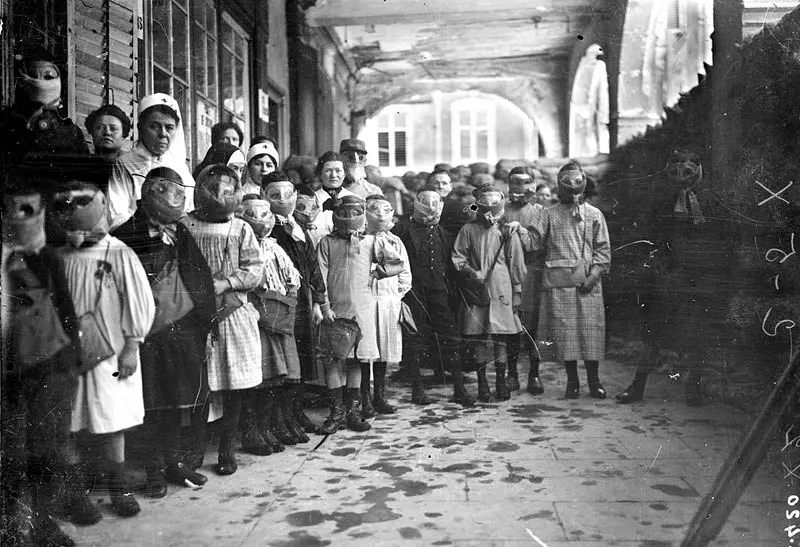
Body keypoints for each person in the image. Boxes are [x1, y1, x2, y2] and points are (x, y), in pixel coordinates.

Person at [51, 174, 155, 521]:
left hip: (110, 349)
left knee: (112, 420)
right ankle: (75, 496)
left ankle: (120, 488)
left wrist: (132, 345)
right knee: (69, 421)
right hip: (67, 352)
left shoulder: (118, 252)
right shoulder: (58, 255)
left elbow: (139, 301)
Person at [113, 167, 216, 497]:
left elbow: (199, 275)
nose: (179, 200)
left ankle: (173, 462)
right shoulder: (124, 233)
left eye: (180, 194)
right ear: (150, 192)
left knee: (175, 399)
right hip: (144, 331)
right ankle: (153, 469)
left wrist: (206, 321)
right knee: (149, 402)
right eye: (172, 193)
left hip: (181, 328)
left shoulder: (180, 232)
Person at [1, 184, 81, 547]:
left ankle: (44, 524)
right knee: (12, 457)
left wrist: (72, 362)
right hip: (9, 374)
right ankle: (13, 529)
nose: (20, 218)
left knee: (48, 450)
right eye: (11, 209)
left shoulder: (46, 257)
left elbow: (67, 311)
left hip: (50, 367)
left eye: (29, 210)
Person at [183, 164, 263, 475]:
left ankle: (227, 448)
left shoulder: (241, 229)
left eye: (228, 190)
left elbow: (255, 270)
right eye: (213, 189)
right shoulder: (186, 225)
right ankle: (196, 447)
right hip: (195, 314)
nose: (220, 195)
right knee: (200, 383)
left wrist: (227, 283)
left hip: (233, 312)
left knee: (234, 384)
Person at [529, 162, 611, 399]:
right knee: (567, 335)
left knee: (590, 333)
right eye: (566, 183)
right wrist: (515, 229)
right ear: (558, 186)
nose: (572, 190)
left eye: (577, 183)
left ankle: (594, 380)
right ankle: (572, 381)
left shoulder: (594, 215)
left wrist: (594, 275)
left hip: (588, 284)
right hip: (558, 284)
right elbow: (533, 242)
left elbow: (603, 251)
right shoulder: (548, 215)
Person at [237, 196, 308, 455]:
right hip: (255, 318)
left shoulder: (275, 247)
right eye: (253, 215)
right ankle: (252, 431)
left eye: (265, 214)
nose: (261, 221)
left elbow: (292, 278)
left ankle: (271, 426)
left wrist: (289, 296)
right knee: (260, 378)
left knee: (282, 376)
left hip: (279, 315)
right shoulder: (239, 246)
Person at [393, 186, 475, 407]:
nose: (430, 209)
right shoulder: (401, 231)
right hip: (413, 293)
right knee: (415, 338)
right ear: (416, 203)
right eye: (425, 203)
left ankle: (458, 387)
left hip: (440, 291)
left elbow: (471, 213)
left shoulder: (446, 233)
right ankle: (417, 388)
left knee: (450, 336)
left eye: (435, 203)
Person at [262, 171, 330, 437]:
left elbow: (312, 267)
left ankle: (295, 414)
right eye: (274, 195)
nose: (283, 200)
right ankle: (280, 420)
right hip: (280, 303)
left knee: (301, 358)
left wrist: (318, 301)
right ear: (263, 197)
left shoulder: (297, 226)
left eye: (288, 194)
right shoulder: (268, 228)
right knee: (284, 362)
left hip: (302, 301)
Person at [453, 184, 526, 402]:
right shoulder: (468, 229)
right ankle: (483, 382)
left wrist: (517, 291)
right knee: (479, 338)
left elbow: (517, 264)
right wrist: (470, 272)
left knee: (501, 337)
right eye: (484, 201)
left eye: (495, 201)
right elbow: (458, 257)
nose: (490, 205)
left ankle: (501, 381)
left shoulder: (506, 231)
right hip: (478, 288)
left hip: (502, 288)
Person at [317, 196, 384, 433]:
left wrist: (378, 273)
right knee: (333, 360)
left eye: (355, 212)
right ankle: (336, 412)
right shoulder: (326, 242)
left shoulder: (371, 242)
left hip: (362, 309)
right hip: (335, 308)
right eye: (343, 212)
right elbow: (320, 277)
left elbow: (396, 263)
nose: (349, 217)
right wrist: (324, 306)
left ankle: (353, 412)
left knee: (356, 360)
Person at [107, 93, 194, 230]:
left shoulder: (180, 168)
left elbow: (190, 210)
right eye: (154, 126)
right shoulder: (125, 164)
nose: (163, 134)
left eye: (169, 128)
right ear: (140, 128)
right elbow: (116, 214)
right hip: (138, 238)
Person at [0, 52, 88, 183]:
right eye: (33, 75)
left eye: (48, 76)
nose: (40, 82)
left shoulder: (71, 133)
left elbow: (84, 181)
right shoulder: (5, 125)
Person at [363, 194, 412, 416]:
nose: (379, 215)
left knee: (383, 350)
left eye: (384, 210)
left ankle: (379, 396)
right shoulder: (360, 240)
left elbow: (405, 273)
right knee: (365, 352)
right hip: (364, 301)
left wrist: (395, 296)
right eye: (373, 210)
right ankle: (363, 397)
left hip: (388, 301)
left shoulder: (395, 241)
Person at [502, 167, 545, 393]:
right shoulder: (501, 209)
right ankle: (511, 374)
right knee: (510, 327)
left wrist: (520, 230)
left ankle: (534, 374)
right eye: (515, 182)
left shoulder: (539, 211)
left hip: (531, 274)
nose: (520, 188)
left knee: (531, 327)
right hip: (505, 275)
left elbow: (535, 243)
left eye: (526, 182)